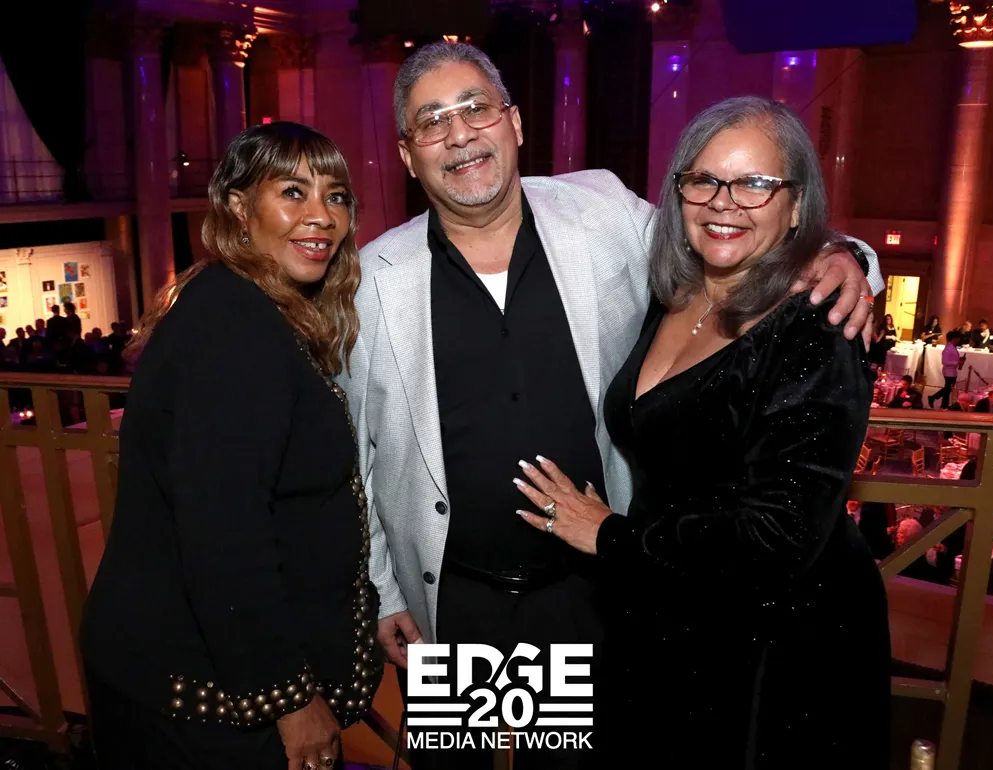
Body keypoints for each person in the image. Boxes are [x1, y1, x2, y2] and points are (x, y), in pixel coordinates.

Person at [340, 43, 883, 770]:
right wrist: (381, 591)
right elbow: (359, 458)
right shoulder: (374, 279)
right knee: (457, 764)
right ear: (409, 155)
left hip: (591, 590)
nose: (460, 133)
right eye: (432, 121)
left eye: (476, 108)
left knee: (577, 765)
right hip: (459, 601)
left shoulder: (600, 214)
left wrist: (845, 255)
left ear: (515, 122)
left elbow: (728, 229)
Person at [514, 96, 890, 768]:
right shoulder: (672, 291)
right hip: (640, 604)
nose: (724, 202)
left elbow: (781, 537)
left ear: (796, 205)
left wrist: (608, 535)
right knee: (468, 737)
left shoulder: (815, 326)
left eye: (755, 183)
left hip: (762, 644)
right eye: (704, 179)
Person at [79, 122, 382, 770]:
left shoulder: (239, 302)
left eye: (335, 196)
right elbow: (224, 535)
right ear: (240, 208)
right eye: (293, 193)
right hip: (202, 699)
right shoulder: (237, 328)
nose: (322, 216)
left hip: (191, 681)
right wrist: (289, 698)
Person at [928, 330, 963, 408]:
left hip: (951, 371)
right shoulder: (948, 348)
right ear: (954, 339)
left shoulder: (951, 347)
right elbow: (944, 362)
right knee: (948, 388)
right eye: (958, 338)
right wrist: (957, 362)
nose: (959, 340)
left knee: (948, 388)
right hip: (949, 371)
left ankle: (944, 405)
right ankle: (933, 397)